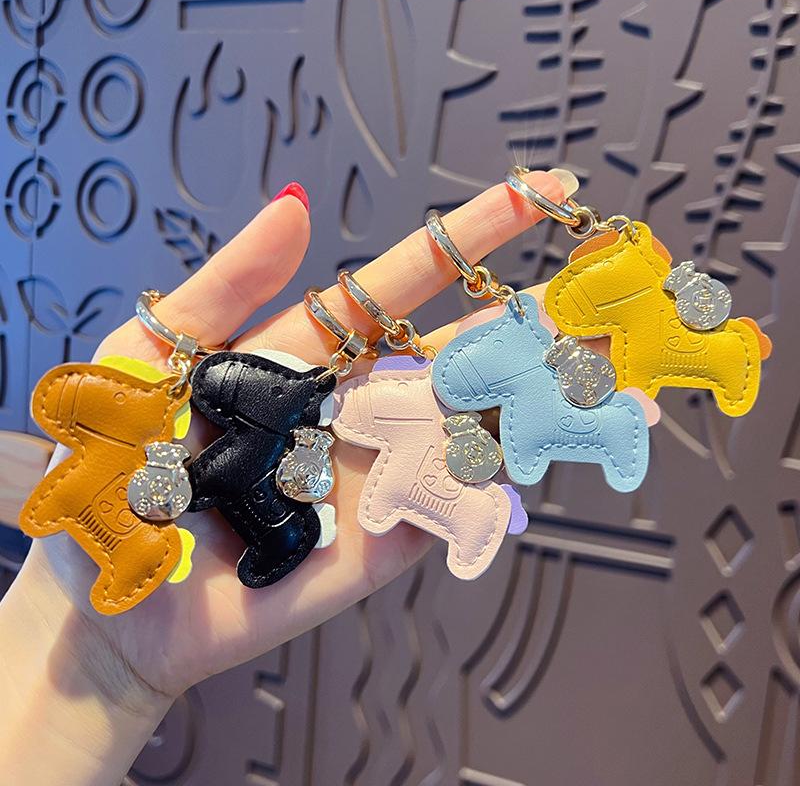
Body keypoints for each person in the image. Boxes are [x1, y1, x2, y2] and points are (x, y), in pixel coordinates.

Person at [0, 171, 564, 785]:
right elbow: (208, 468)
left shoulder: (273, 417)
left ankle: (282, 532)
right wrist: (78, 631)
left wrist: (87, 655)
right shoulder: (228, 416)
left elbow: (217, 468)